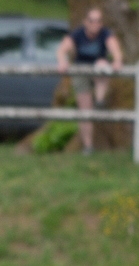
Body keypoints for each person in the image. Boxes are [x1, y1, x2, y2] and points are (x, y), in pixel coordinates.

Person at [56, 7, 123, 155]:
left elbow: (116, 51)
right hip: (81, 71)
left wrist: (117, 61)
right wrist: (62, 61)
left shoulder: (106, 34)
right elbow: (62, 50)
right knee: (85, 110)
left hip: (99, 72)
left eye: (99, 21)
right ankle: (88, 145)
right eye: (92, 20)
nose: (95, 24)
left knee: (102, 65)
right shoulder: (78, 34)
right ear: (85, 21)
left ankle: (100, 100)